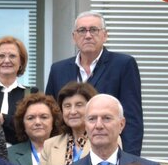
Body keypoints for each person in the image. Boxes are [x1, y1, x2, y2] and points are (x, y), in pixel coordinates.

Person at [45, 11, 143, 155]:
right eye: (82, 30)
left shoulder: (123, 65)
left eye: (94, 30)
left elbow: (132, 118)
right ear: (74, 37)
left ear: (105, 35)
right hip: (68, 152)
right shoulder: (58, 69)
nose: (88, 35)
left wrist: (129, 160)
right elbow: (51, 115)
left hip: (109, 151)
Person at [33, 81, 97, 165]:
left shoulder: (104, 140)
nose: (72, 111)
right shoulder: (50, 144)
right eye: (67, 106)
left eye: (79, 105)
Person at [7, 93, 64, 165]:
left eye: (44, 117)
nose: (37, 122)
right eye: (30, 118)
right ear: (23, 124)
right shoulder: (9, 154)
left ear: (54, 121)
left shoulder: (67, 150)